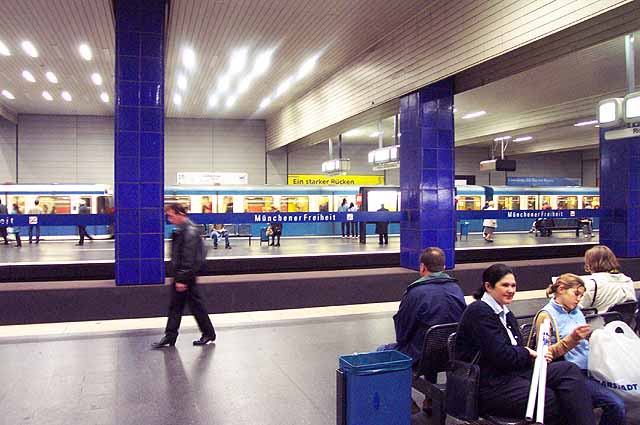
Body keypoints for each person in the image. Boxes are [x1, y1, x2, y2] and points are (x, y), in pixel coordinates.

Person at [455, 263, 596, 424]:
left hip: (513, 373)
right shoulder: (479, 312)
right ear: (488, 286)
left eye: (513, 285)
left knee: (568, 370)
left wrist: (533, 355)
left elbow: (515, 350)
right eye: (505, 285)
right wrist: (528, 353)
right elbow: (501, 356)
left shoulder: (505, 313)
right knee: (552, 399)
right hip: (490, 385)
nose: (511, 290)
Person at [533, 273, 626, 425]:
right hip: (572, 374)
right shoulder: (546, 315)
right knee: (616, 404)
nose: (578, 299)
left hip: (591, 369)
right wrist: (572, 340)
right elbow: (545, 354)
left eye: (581, 296)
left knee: (623, 395)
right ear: (561, 289)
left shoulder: (577, 312)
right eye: (576, 294)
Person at [153, 203, 216, 348]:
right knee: (178, 306)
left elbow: (188, 258)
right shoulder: (183, 230)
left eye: (171, 215)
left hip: (185, 277)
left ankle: (207, 333)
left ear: (180, 214)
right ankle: (171, 335)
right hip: (182, 275)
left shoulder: (190, 231)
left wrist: (181, 279)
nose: (169, 219)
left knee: (193, 306)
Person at [579, 245, 636, 312]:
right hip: (624, 321)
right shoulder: (628, 281)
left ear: (589, 264)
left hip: (597, 321)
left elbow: (580, 308)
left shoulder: (591, 284)